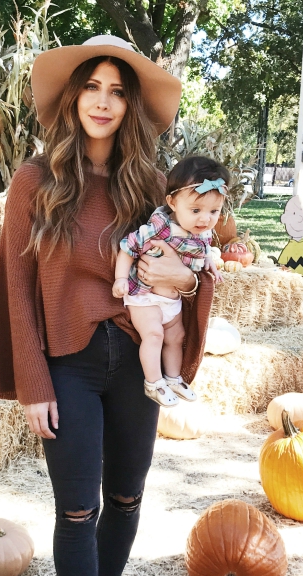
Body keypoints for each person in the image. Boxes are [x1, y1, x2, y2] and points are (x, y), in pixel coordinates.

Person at [0, 35, 214, 576]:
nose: (104, 101)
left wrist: (193, 279)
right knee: (77, 509)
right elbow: (16, 287)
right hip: (70, 365)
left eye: (117, 90)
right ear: (73, 97)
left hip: (136, 361)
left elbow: (198, 253)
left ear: (129, 103)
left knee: (128, 497)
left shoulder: (151, 185)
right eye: (93, 87)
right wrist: (32, 382)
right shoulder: (34, 182)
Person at [113, 156, 229, 406]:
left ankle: (174, 378)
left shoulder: (202, 230)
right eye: (196, 210)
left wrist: (209, 261)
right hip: (144, 299)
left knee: (177, 337)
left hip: (171, 299)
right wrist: (121, 278)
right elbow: (127, 247)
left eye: (214, 211)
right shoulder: (159, 229)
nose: (205, 219)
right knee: (154, 335)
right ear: (172, 203)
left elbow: (205, 246)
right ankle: (153, 382)